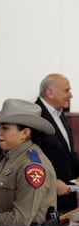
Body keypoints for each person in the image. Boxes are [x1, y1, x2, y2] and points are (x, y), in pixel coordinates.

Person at [35, 73, 79, 213]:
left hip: (66, 199)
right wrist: (51, 182)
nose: (70, 95)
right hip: (46, 203)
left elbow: (67, 155)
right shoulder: (34, 116)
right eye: (66, 90)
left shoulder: (59, 114)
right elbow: (31, 157)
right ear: (49, 92)